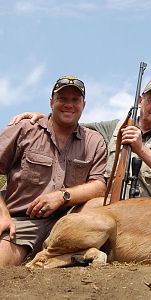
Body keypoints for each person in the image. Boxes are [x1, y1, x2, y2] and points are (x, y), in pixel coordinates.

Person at [9, 76, 151, 200]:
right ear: (140, 101)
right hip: (109, 214)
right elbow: (71, 123)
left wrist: (141, 150)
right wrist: (44, 116)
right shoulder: (113, 128)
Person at [0, 75, 107, 266]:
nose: (69, 104)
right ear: (51, 102)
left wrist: (62, 196)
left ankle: (63, 254)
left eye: (75, 100)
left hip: (67, 223)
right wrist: (3, 215)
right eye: (62, 99)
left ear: (84, 104)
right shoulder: (25, 129)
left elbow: (100, 186)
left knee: (98, 205)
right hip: (21, 222)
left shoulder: (94, 141)